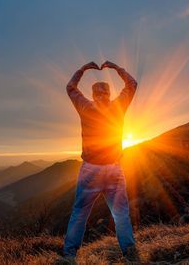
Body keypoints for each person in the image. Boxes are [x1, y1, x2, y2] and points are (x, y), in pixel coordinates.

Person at [61, 61, 139, 263]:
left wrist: (83, 69)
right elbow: (132, 84)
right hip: (114, 168)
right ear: (109, 93)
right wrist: (116, 68)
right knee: (121, 214)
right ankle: (129, 252)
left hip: (90, 170)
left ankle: (69, 255)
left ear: (94, 94)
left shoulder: (85, 107)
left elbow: (70, 88)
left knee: (80, 213)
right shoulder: (118, 106)